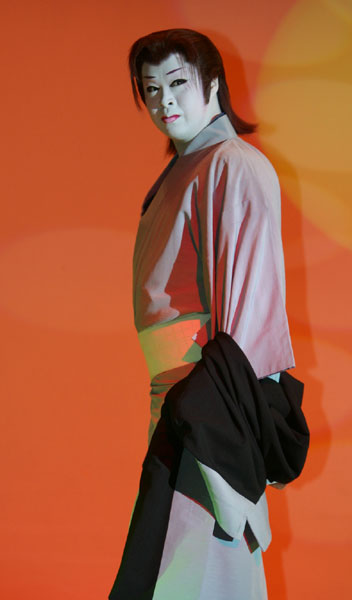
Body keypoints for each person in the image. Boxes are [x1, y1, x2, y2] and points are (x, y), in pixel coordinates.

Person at [109, 28, 309, 600]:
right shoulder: (186, 169)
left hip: (207, 395)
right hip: (177, 393)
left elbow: (248, 305)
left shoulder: (233, 164)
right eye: (151, 89)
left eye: (178, 83)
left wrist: (217, 409)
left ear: (214, 83)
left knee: (201, 560)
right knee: (177, 564)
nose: (164, 101)